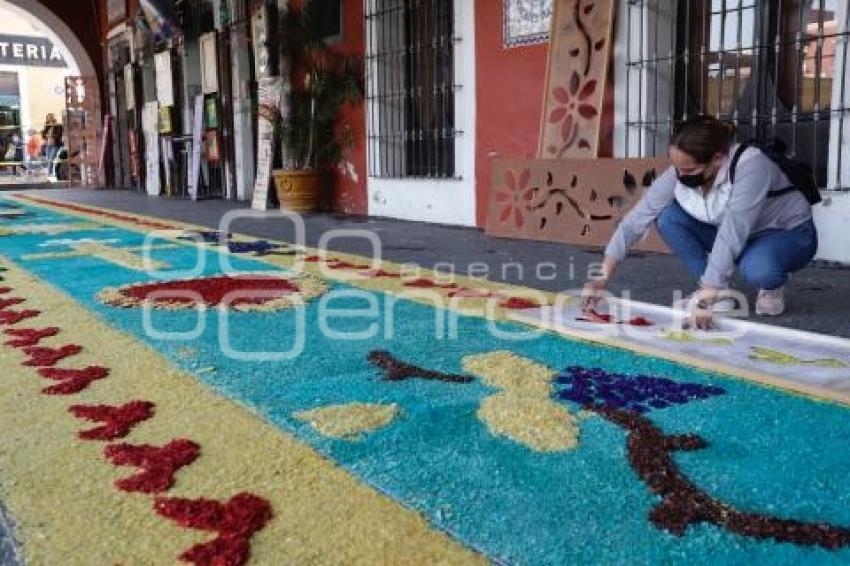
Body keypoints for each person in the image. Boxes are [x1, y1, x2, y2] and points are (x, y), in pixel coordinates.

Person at [582, 116, 818, 329]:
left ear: (717, 158)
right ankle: (719, 292)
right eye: (677, 168)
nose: (680, 176)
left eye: (689, 169)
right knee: (668, 216)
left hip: (786, 234)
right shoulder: (681, 171)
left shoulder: (751, 165)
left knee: (758, 269)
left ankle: (769, 287)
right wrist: (601, 277)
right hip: (738, 234)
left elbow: (734, 229)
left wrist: (706, 299)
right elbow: (634, 221)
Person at [41, 113, 63, 178]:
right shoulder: (47, 126)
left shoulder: (58, 125)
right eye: (48, 118)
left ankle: (49, 173)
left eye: (50, 118)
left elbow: (59, 135)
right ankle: (49, 173)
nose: (49, 119)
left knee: (51, 158)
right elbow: (43, 135)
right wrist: (45, 135)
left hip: (55, 144)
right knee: (48, 159)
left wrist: (51, 136)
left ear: (53, 118)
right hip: (48, 145)